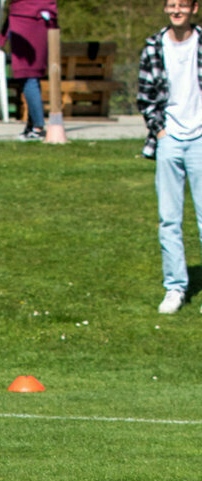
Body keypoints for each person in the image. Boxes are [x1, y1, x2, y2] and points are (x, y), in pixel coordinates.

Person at [138, 0, 202, 314]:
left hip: (201, 138)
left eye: (182, 5)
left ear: (194, 9)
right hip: (169, 140)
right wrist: (160, 132)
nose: (177, 10)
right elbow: (145, 94)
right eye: (171, 5)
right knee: (169, 219)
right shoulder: (153, 45)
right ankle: (175, 288)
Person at [0, 0, 58, 142]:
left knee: (28, 75)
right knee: (32, 76)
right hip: (43, 18)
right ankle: (32, 126)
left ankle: (37, 127)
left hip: (26, 19)